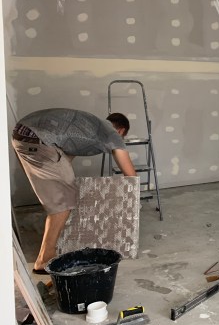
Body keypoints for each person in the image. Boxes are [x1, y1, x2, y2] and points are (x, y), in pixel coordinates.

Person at [11, 108, 137, 273]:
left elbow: (65, 154)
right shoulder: (112, 133)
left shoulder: (91, 125)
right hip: (38, 139)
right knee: (63, 203)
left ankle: (54, 229)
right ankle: (44, 260)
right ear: (121, 130)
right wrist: (134, 199)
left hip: (21, 133)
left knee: (61, 192)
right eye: (122, 136)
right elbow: (130, 175)